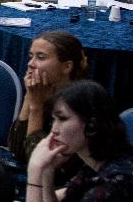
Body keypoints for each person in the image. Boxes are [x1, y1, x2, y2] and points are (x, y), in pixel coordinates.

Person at [7, 31, 87, 160]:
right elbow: (16, 150)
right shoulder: (42, 92)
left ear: (67, 66)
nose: (30, 64)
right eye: (31, 56)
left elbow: (39, 161)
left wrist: (36, 107)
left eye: (41, 57)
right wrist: (29, 96)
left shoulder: (79, 104)